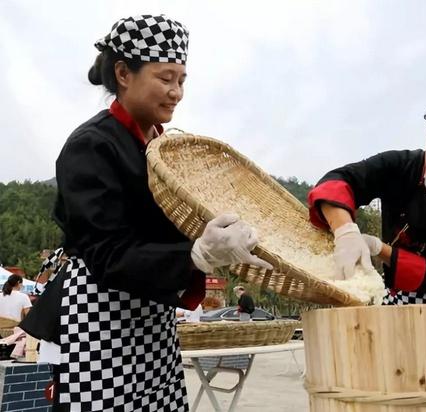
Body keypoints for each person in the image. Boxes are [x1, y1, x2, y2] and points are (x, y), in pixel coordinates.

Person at [21, 15, 271, 412]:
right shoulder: (92, 146)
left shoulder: (164, 148)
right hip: (98, 319)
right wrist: (195, 255)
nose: (176, 93)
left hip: (151, 319)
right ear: (123, 73)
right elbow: (107, 254)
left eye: (182, 80)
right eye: (165, 78)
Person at [308, 102, 426, 410]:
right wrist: (345, 230)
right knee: (398, 384)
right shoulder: (400, 166)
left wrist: (378, 249)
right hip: (396, 298)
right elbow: (339, 180)